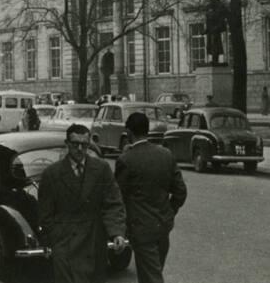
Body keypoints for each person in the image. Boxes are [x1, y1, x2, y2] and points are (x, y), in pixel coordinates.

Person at [39, 124, 126, 283]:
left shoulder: (101, 169)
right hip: (65, 244)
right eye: (75, 144)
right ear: (67, 144)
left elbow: (113, 203)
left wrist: (117, 232)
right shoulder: (51, 174)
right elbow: (45, 215)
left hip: (94, 242)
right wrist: (53, 242)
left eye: (84, 145)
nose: (80, 149)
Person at [115, 112, 186, 283]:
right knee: (152, 273)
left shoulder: (126, 159)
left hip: (141, 229)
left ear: (129, 132)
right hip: (163, 226)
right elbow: (180, 191)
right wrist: (170, 211)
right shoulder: (165, 154)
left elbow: (117, 197)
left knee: (151, 277)